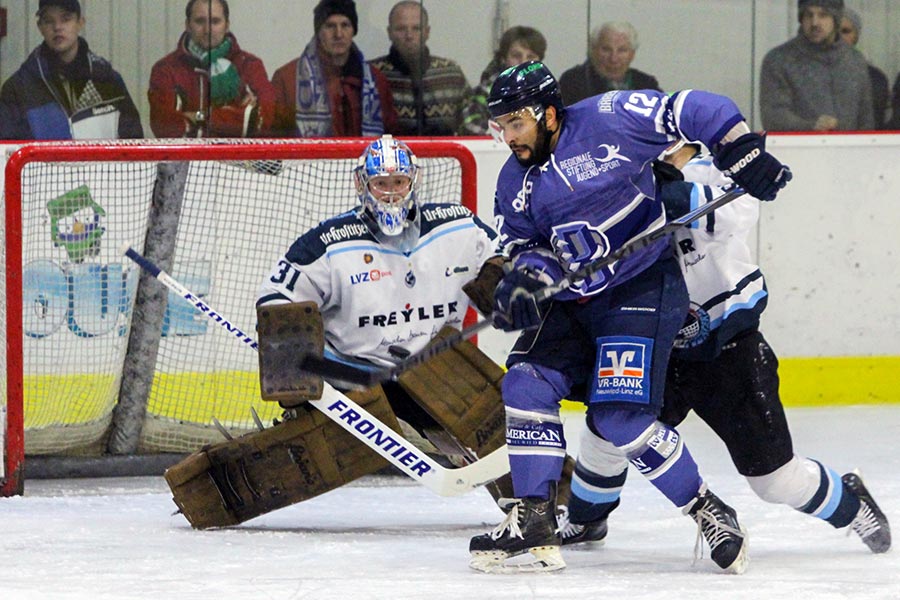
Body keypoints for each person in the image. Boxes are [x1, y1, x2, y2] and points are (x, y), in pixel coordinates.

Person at [466, 61, 791, 574]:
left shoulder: (610, 117)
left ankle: (710, 510)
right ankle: (533, 518)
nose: (507, 137)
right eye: (500, 126)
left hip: (640, 286)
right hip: (575, 299)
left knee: (620, 418)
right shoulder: (514, 181)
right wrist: (527, 277)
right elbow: (526, 246)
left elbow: (696, 108)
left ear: (548, 113)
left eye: (515, 124)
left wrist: (739, 150)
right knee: (525, 383)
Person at [561, 143, 892, 557]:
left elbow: (736, 214)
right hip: (657, 346)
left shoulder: (717, 168)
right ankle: (585, 518)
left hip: (728, 350)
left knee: (775, 481)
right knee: (607, 428)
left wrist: (667, 190)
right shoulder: (621, 183)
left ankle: (850, 502)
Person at [0, 0, 142, 140]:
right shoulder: (17, 90)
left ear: (80, 23)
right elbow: (6, 153)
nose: (57, 27)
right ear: (40, 27)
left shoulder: (108, 81)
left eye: (66, 19)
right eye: (49, 21)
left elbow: (134, 145)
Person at [148, 0, 276, 138]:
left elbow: (266, 118)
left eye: (215, 21)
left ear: (227, 25)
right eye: (199, 21)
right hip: (184, 158)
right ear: (187, 25)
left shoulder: (249, 65)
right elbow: (164, 127)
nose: (208, 30)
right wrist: (239, 117)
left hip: (237, 158)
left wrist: (197, 117)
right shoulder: (165, 69)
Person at [270, 0, 397, 137]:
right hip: (306, 158)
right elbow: (273, 139)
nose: (338, 34)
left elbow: (391, 137)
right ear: (318, 32)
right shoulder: (287, 79)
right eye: (330, 26)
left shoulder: (376, 82)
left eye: (345, 25)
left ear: (353, 31)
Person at [760, 0, 873, 131]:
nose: (815, 23)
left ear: (836, 19)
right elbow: (773, 117)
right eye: (808, 15)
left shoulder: (855, 61)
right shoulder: (779, 60)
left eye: (823, 15)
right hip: (797, 149)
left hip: (849, 149)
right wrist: (810, 126)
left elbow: (866, 119)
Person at [369, 1, 472, 136]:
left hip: (445, 154)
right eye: (401, 29)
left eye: (416, 28)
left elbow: (471, 128)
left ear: (427, 32)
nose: (409, 36)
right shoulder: (372, 74)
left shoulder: (451, 74)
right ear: (389, 33)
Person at [459, 25, 547, 135]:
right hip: (496, 150)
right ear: (504, 59)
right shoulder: (488, 89)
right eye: (516, 56)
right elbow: (470, 123)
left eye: (531, 57)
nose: (523, 62)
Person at [558, 21, 661, 106]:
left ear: (632, 54)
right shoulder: (573, 82)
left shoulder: (647, 85)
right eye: (606, 49)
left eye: (622, 50)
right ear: (593, 50)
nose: (614, 58)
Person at [838, 8, 890, 129]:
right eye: (833, 32)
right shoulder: (807, 74)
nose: (839, 37)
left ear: (856, 36)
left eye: (845, 31)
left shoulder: (875, 78)